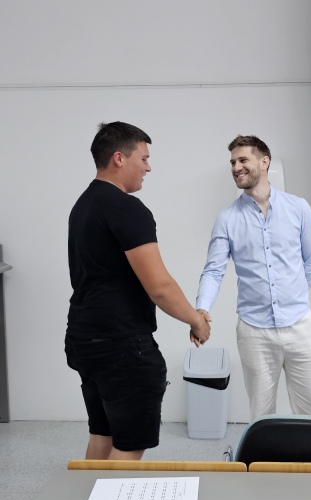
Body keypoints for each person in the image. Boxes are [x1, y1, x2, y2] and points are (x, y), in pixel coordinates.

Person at [65, 121, 210, 461]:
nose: (148, 167)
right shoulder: (126, 208)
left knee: (103, 433)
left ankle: (86, 497)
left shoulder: (84, 204)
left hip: (84, 338)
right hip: (121, 345)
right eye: (144, 158)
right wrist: (196, 320)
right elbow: (159, 286)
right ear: (119, 158)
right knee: (128, 445)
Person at [194, 135, 311, 421]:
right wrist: (202, 308)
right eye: (232, 162)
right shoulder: (227, 218)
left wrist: (291, 296)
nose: (236, 167)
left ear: (264, 162)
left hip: (300, 326)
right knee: (261, 415)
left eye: (243, 160)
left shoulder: (298, 208)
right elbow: (214, 270)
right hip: (254, 331)